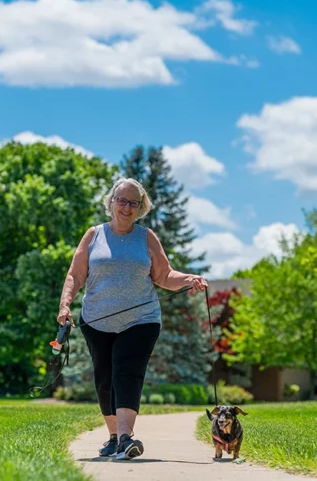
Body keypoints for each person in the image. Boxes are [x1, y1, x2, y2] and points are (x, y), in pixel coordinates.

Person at [58, 177, 208, 460]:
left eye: (133, 203)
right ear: (111, 202)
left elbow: (164, 275)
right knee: (104, 379)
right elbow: (75, 275)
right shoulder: (94, 235)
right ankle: (114, 437)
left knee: (126, 370)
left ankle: (127, 438)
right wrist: (65, 305)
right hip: (97, 321)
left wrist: (189, 278)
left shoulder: (146, 237)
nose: (126, 207)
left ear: (141, 208)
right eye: (122, 201)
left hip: (141, 319)